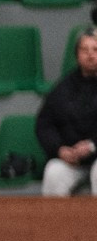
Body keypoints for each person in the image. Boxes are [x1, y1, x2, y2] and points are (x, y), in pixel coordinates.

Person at [37, 28, 97, 197]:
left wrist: (92, 145)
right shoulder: (62, 88)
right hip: (71, 159)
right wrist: (59, 149)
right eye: (84, 50)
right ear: (77, 55)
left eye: (95, 49)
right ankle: (52, 224)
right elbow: (44, 125)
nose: (90, 55)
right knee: (53, 172)